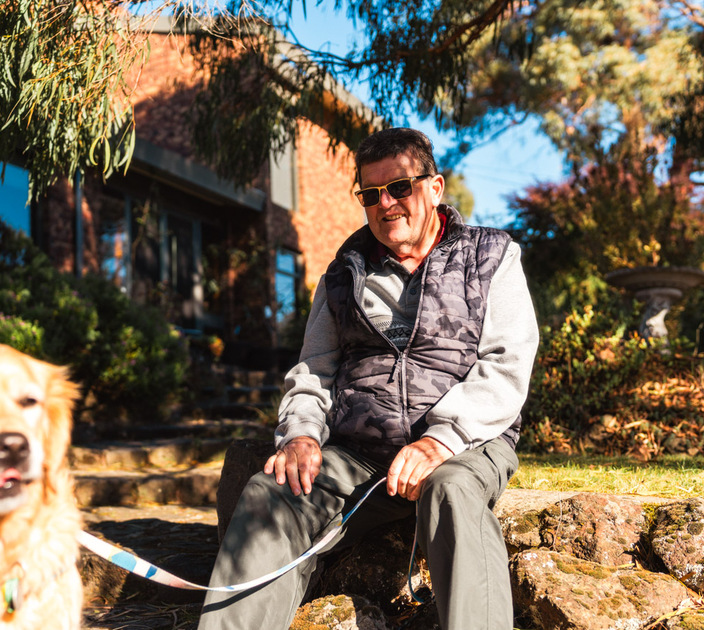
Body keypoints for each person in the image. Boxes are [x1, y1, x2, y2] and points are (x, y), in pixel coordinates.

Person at [198, 127, 539, 630]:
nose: (386, 204)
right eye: (371, 194)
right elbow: (314, 370)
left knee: (451, 491)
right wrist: (300, 435)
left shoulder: (491, 257)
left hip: (465, 446)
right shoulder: (341, 275)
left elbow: (506, 365)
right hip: (358, 454)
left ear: (435, 188)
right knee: (270, 492)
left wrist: (439, 441)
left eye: (400, 187)